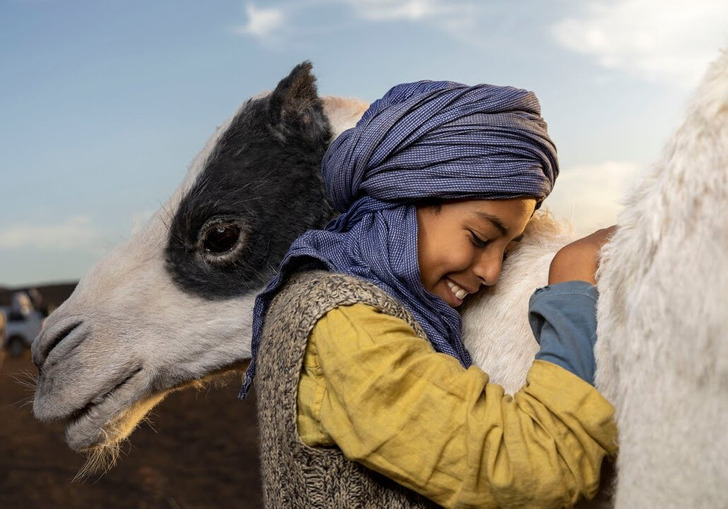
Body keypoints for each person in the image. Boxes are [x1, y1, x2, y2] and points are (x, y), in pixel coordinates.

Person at [241, 80, 618, 508]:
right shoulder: (344, 326)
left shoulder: (357, 299)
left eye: (508, 249)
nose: (492, 272)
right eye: (479, 237)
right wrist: (572, 280)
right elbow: (536, 469)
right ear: (407, 196)